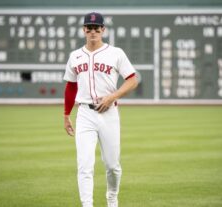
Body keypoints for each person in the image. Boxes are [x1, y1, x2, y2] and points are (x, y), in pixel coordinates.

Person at [63, 12, 138, 207]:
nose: (93, 31)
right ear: (84, 30)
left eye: (97, 28)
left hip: (109, 113)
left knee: (112, 166)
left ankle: (112, 197)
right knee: (85, 166)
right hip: (85, 114)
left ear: (103, 30)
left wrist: (113, 96)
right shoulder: (75, 56)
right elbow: (71, 87)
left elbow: (132, 79)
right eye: (89, 27)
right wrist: (66, 115)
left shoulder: (116, 53)